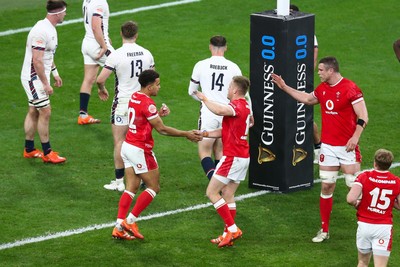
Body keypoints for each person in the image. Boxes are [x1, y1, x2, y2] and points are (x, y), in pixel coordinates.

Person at [271, 56, 369, 243]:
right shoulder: (323, 89)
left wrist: (355, 138)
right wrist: (284, 87)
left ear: (331, 71)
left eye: (321, 70)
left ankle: (370, 218)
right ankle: (324, 230)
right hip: (329, 147)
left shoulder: (350, 88)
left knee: (352, 187)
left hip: (347, 147)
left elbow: (363, 116)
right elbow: (308, 99)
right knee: (326, 185)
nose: (319, 73)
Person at [111, 70, 202, 240]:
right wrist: (186, 134)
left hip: (127, 146)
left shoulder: (134, 96)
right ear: (150, 86)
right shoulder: (148, 104)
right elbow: (162, 129)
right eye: (158, 84)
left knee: (131, 187)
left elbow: (140, 118)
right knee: (153, 187)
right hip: (140, 149)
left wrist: (158, 115)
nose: (159, 87)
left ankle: (118, 227)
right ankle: (130, 221)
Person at [96, 21, 156, 192]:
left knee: (120, 142)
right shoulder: (146, 53)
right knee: (142, 141)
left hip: (123, 103)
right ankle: (145, 178)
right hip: (142, 102)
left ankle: (119, 181)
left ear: (121, 34)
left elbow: (100, 79)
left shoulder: (116, 55)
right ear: (136, 35)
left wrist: (102, 89)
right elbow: (153, 79)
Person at [193, 76, 251, 248]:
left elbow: (219, 111)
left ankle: (232, 229)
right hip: (242, 157)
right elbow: (225, 130)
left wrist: (205, 99)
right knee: (228, 195)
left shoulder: (237, 105)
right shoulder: (246, 106)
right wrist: (205, 134)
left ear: (235, 90)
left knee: (211, 192)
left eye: (229, 87)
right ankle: (227, 234)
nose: (227, 90)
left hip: (233, 157)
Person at [188, 35, 253, 181]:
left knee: (204, 150)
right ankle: (221, 181)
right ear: (226, 47)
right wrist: (250, 114)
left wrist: (205, 102)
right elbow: (244, 93)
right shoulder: (233, 66)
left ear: (210, 46)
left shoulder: (201, 64)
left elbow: (191, 91)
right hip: (229, 111)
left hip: (209, 112)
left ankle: (214, 181)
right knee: (220, 150)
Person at [21, 0, 67, 164]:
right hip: (34, 78)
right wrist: (45, 83)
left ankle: (29, 149)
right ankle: (47, 152)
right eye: (64, 12)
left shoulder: (50, 28)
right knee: (45, 111)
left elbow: (48, 56)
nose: (65, 14)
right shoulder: (41, 31)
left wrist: (55, 73)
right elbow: (37, 61)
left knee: (34, 110)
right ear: (57, 13)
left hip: (38, 76)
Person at [347, 149, 400, 267]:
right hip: (383, 228)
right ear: (389, 165)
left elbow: (350, 199)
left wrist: (358, 204)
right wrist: (391, 202)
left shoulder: (364, 176)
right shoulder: (396, 181)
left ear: (375, 163)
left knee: (362, 263)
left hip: (364, 226)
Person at [290, 4, 322, 164]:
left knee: (304, 115)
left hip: (301, 79)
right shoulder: (284, 29)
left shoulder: (306, 31)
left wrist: (308, 72)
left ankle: (317, 147)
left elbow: (314, 52)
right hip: (286, 77)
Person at [78, 0, 114, 125]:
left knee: (88, 79)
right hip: (98, 45)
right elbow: (95, 26)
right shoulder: (100, 3)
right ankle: (132, 112)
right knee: (123, 69)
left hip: (87, 44)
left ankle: (83, 115)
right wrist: (104, 45)